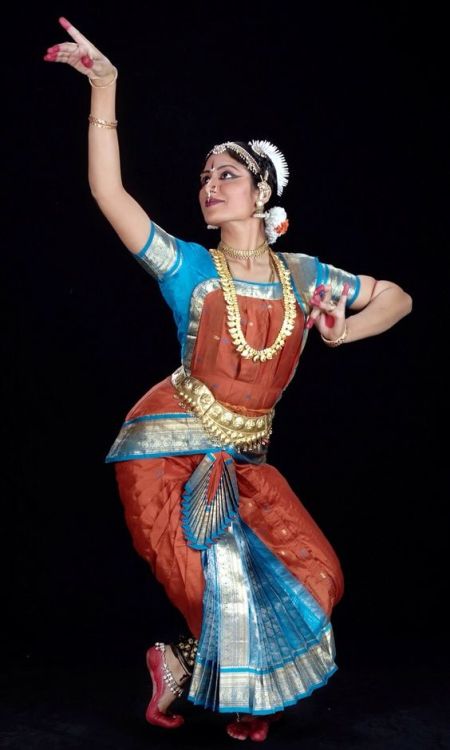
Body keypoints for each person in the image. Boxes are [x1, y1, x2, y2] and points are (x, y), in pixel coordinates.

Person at [44, 17, 413, 742]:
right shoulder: (187, 267)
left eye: (227, 175)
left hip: (241, 465)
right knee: (222, 599)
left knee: (316, 577)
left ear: (262, 192)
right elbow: (108, 192)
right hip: (161, 456)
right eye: (206, 177)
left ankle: (177, 665)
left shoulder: (305, 276)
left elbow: (399, 297)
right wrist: (105, 89)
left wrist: (343, 332)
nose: (210, 186)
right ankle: (203, 671)